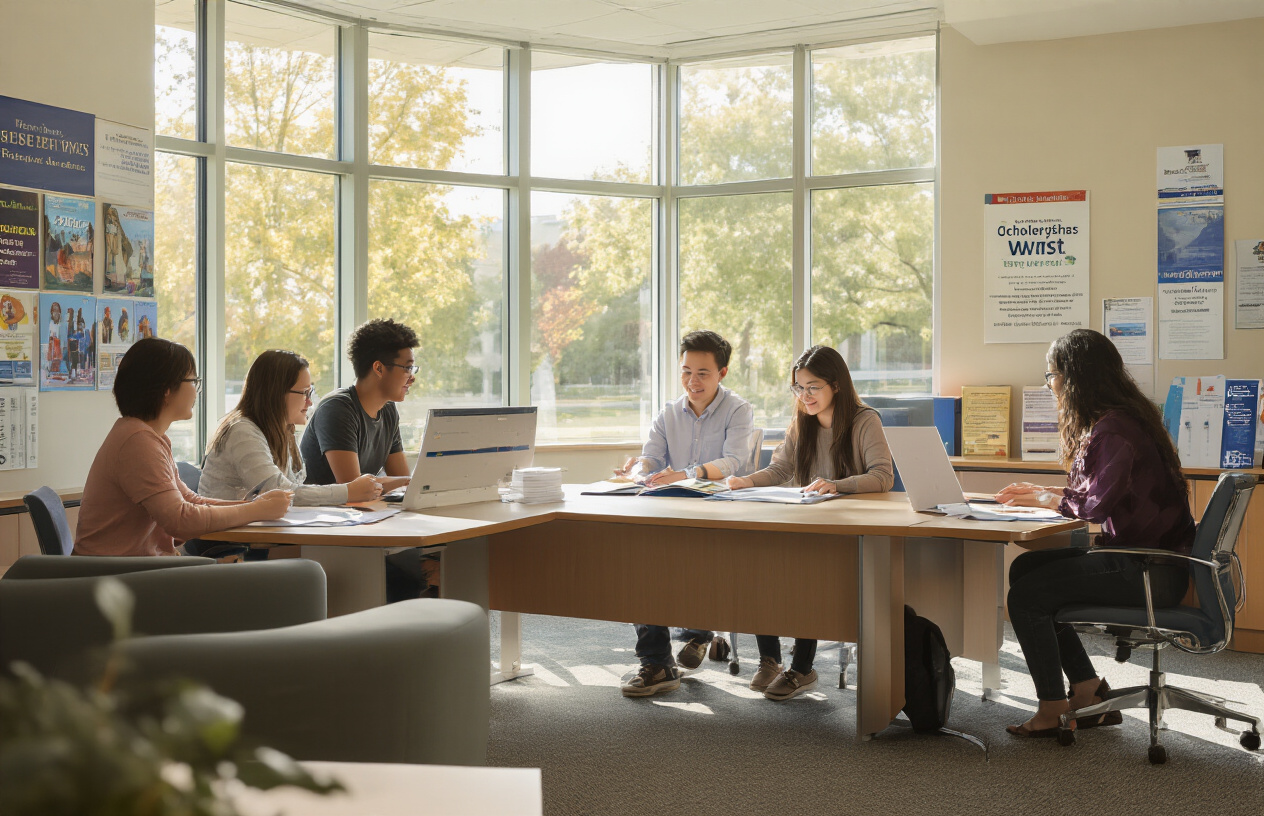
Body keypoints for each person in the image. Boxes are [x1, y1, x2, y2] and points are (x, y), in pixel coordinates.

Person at [998, 328, 1194, 738]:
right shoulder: (1126, 420)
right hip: (1153, 562)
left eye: (1051, 375)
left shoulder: (1114, 430)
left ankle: (1052, 708)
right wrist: (1049, 492)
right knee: (1027, 569)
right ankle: (1087, 690)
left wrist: (1046, 500)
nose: (1049, 384)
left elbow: (1093, 507)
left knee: (1027, 596)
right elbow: (1105, 492)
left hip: (1146, 570)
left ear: (1074, 378)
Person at [726, 345, 895, 701]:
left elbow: (883, 477)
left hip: (847, 531)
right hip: (803, 522)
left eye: (812, 387)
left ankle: (802, 669)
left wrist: (837, 485)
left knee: (807, 575)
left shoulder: (865, 421)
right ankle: (769, 659)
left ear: (836, 385)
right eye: (798, 388)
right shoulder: (800, 422)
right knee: (758, 562)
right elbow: (781, 470)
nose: (804, 396)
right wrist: (748, 481)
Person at [617, 330, 756, 698]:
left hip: (718, 512)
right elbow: (653, 458)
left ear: (722, 373)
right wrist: (638, 466)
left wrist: (690, 472)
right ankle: (657, 662)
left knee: (699, 571)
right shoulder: (667, 413)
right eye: (686, 372)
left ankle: (699, 630)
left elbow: (734, 462)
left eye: (703, 373)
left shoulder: (737, 410)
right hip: (669, 508)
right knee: (641, 567)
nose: (692, 382)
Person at [74, 338, 292, 557]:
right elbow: (180, 521)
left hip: (134, 571)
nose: (196, 390)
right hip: (120, 575)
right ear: (167, 389)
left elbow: (189, 500)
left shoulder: (148, 436)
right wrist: (256, 510)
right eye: (192, 380)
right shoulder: (137, 442)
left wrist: (253, 506)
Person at [300, 319, 419, 598]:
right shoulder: (338, 408)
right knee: (410, 572)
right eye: (407, 368)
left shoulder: (388, 412)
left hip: (362, 521)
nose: (412, 377)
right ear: (379, 368)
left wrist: (416, 482)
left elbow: (402, 483)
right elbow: (353, 488)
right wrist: (415, 480)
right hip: (325, 527)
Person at [200, 349, 383, 506]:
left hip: (256, 535)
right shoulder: (242, 432)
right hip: (227, 542)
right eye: (304, 393)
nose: (310, 402)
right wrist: (348, 491)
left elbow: (292, 490)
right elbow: (280, 493)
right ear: (276, 393)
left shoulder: (282, 431)